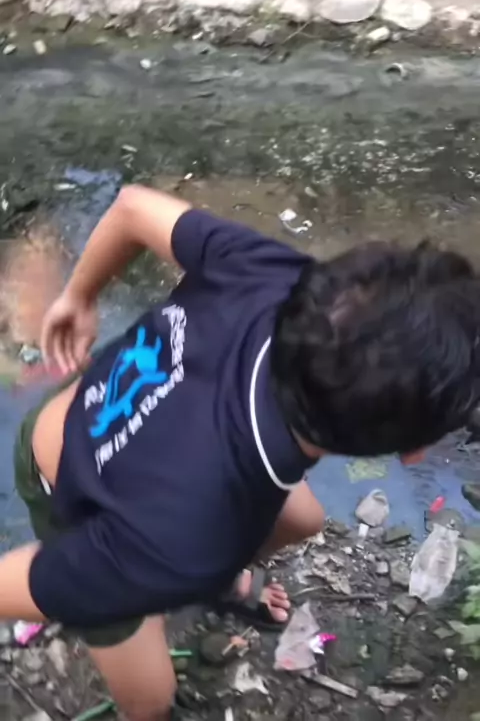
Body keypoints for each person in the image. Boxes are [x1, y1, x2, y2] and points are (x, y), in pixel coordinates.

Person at [3, 184, 480, 721]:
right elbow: (33, 581)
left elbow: (133, 206)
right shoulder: (185, 540)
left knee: (303, 518)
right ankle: (176, 596)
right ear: (414, 452)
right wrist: (141, 581)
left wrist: (78, 297)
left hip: (106, 412)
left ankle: (219, 584)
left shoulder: (276, 276)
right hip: (71, 486)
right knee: (150, 699)